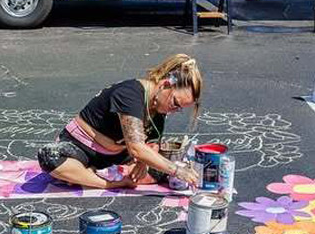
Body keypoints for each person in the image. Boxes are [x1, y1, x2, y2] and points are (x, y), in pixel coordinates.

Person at [36, 54, 204, 191]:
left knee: (159, 170)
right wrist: (176, 170)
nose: (174, 111)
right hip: (81, 147)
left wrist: (143, 163)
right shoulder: (130, 94)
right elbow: (137, 147)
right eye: (175, 103)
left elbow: (152, 143)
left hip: (116, 156)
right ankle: (110, 183)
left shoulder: (159, 107)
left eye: (179, 108)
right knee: (49, 157)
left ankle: (85, 176)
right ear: (165, 85)